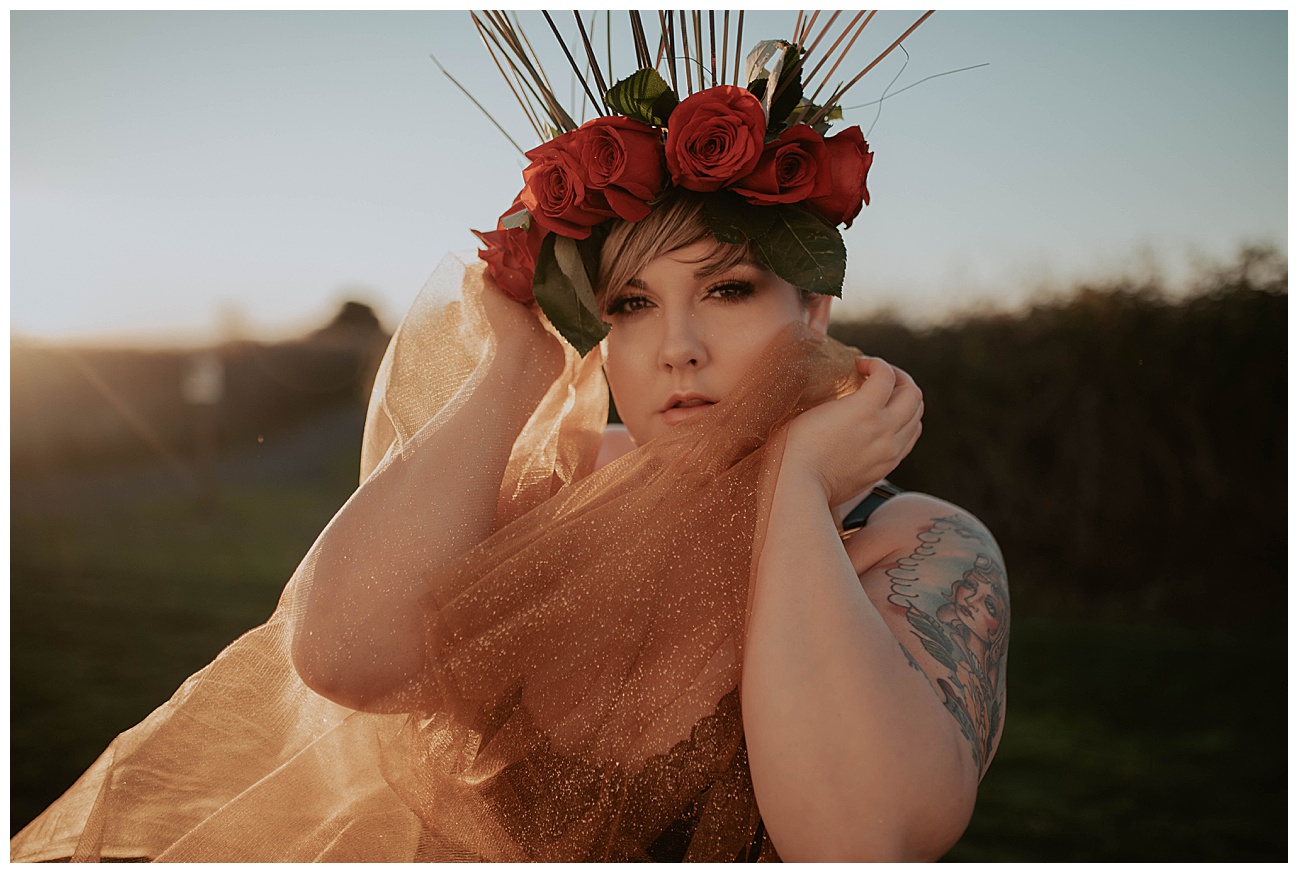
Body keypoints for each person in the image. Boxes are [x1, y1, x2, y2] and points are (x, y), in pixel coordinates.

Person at [11, 13, 1007, 863]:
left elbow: (858, 833)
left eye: (729, 289)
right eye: (628, 303)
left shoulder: (910, 544)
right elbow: (342, 654)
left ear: (815, 307)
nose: (678, 349)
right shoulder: (556, 496)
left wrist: (790, 487)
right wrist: (515, 363)